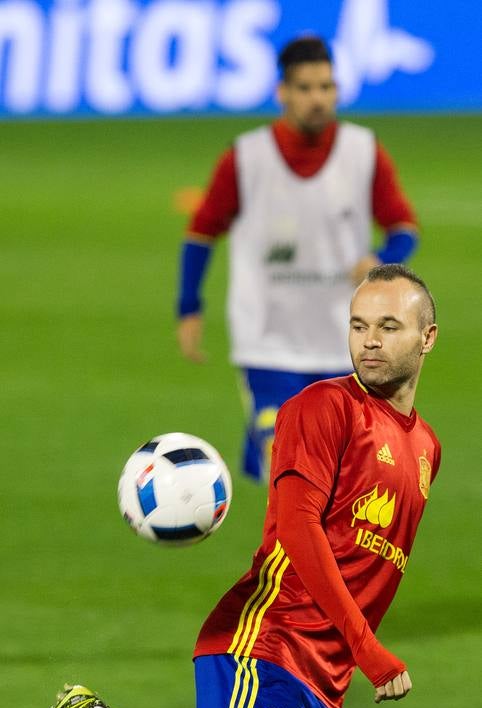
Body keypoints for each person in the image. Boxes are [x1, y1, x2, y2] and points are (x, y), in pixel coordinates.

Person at [18, 264, 440, 708]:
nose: (369, 340)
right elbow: (299, 532)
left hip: (326, 682)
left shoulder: (426, 447)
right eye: (358, 326)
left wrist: (348, 656)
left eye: (388, 326)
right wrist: (367, 649)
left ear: (427, 337)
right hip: (266, 644)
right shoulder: (322, 409)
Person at [176, 35, 420, 481]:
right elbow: (201, 232)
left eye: (326, 87)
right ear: (282, 92)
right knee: (285, 457)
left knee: (343, 480)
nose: (317, 99)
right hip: (268, 340)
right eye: (305, 88)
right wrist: (188, 306)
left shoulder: (363, 152)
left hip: (346, 344)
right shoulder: (245, 158)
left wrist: (381, 258)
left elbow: (404, 226)